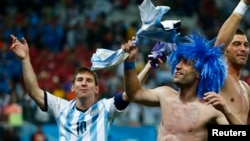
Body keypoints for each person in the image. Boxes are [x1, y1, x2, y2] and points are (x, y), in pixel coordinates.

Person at [9, 34, 156, 141]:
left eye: (89, 80)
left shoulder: (105, 108)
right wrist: (25, 59)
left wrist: (145, 65)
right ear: (72, 87)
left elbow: (131, 92)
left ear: (97, 88)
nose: (84, 83)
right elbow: (34, 92)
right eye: (79, 80)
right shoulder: (61, 107)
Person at [121, 34, 235, 141]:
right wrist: (133, 63)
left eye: (186, 63)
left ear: (199, 73)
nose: (178, 67)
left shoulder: (210, 110)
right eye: (179, 61)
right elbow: (133, 94)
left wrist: (227, 111)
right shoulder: (165, 95)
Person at [203, 0, 250, 124]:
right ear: (226, 51)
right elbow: (218, 47)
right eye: (236, 44)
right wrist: (243, 4)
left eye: (246, 45)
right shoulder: (219, 78)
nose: (243, 49)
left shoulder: (246, 88)